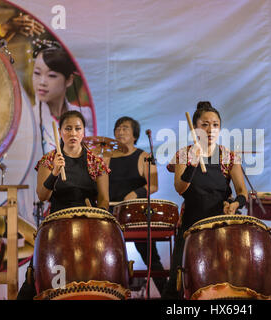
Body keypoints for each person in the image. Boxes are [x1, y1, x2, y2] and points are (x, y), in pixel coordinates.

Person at [17, 110, 109, 300]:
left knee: (88, 277)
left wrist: (98, 222)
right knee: (41, 277)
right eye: (68, 129)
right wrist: (55, 173)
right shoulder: (49, 161)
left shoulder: (96, 162)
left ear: (83, 132)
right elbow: (43, 196)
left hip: (88, 227)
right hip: (56, 226)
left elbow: (104, 200)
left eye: (77, 128)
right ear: (60, 132)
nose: (73, 133)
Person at [162, 101, 248, 299]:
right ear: (195, 128)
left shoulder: (229, 156)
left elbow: (242, 191)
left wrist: (236, 204)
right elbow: (180, 189)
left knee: (219, 277)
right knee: (179, 276)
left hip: (221, 223)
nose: (210, 129)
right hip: (191, 223)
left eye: (215, 124)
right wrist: (193, 161)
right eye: (205, 124)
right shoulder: (184, 154)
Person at [109, 116, 166, 295]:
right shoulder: (106, 157)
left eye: (125, 128)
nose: (120, 131)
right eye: (117, 128)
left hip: (137, 213)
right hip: (111, 212)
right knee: (110, 258)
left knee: (151, 258)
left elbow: (154, 185)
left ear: (135, 135)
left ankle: (167, 296)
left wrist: (134, 194)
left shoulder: (144, 156)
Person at [32, 45, 94, 155]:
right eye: (37, 73)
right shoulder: (30, 119)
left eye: (51, 75)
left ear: (69, 80)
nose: (42, 82)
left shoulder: (86, 115)